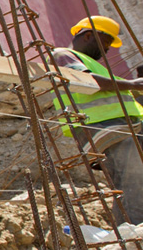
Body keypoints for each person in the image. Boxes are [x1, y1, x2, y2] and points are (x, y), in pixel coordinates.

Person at [53, 16, 143, 225]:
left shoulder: (97, 67)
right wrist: (134, 84)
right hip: (105, 129)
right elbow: (86, 81)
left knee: (133, 182)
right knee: (133, 184)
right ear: (88, 36)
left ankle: (131, 232)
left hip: (122, 128)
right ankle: (134, 235)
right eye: (106, 42)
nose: (107, 50)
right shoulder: (64, 55)